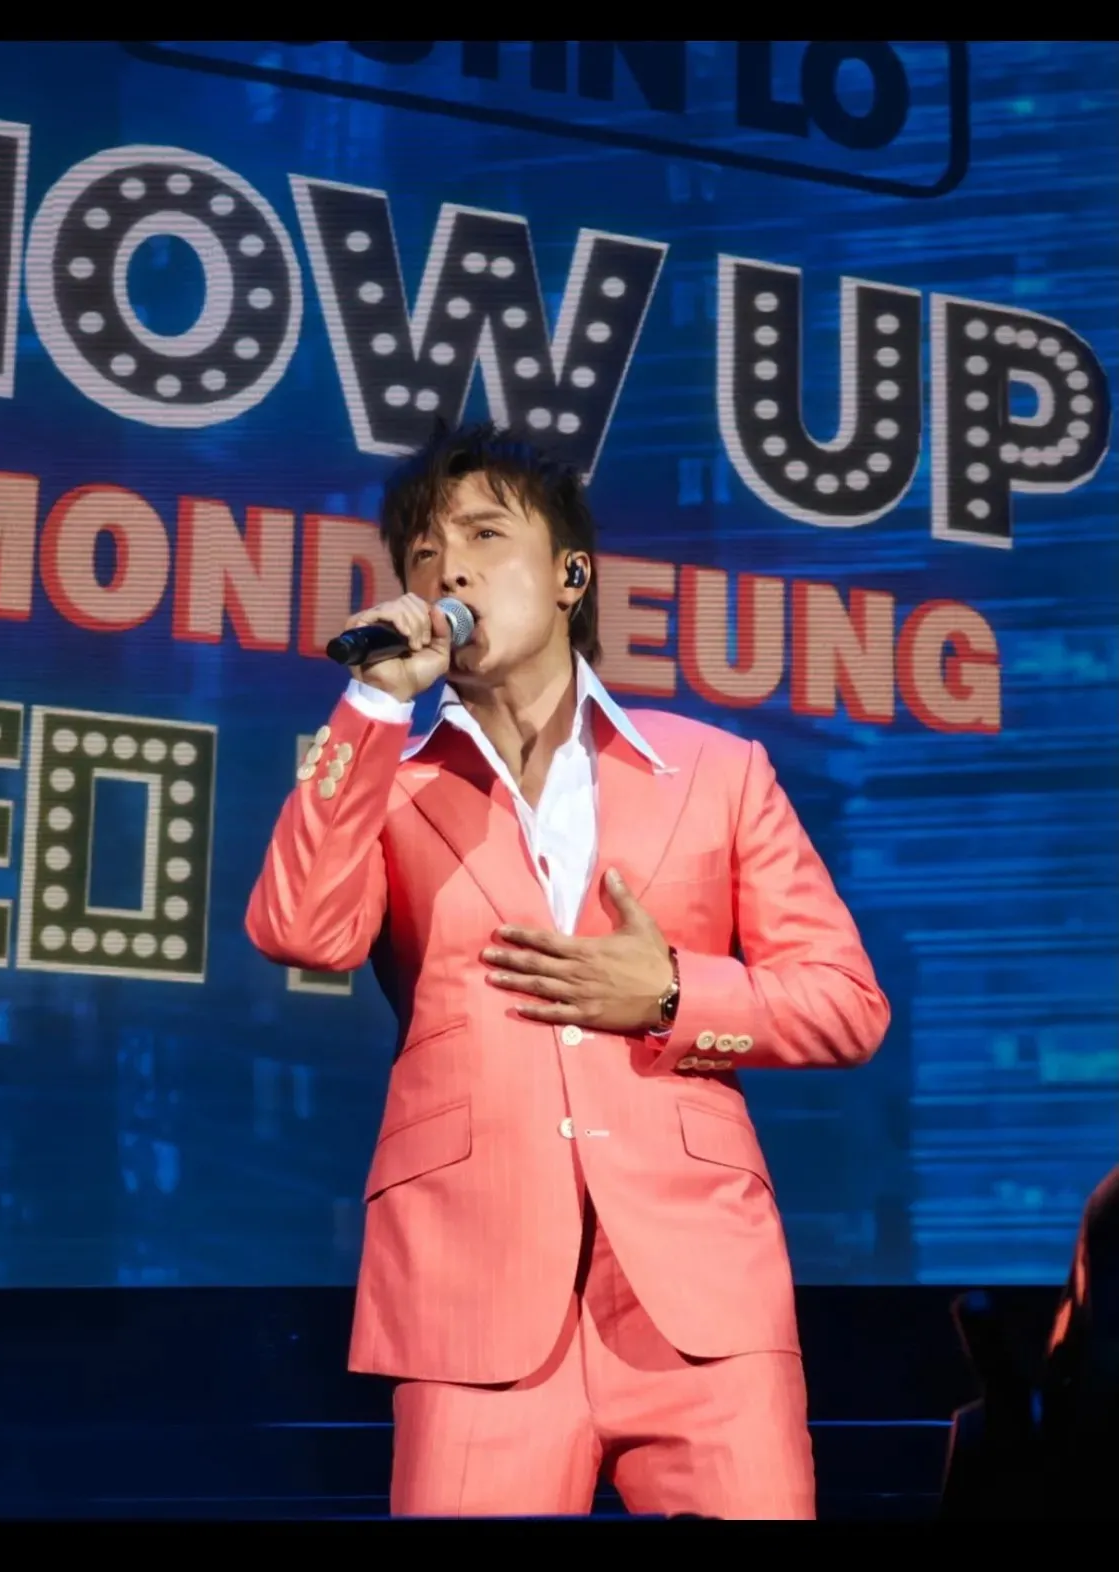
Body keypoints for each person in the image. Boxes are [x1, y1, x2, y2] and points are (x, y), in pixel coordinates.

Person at [245, 422, 890, 1519]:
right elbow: (301, 930)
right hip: (471, 1295)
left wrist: (673, 993)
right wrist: (373, 704)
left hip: (699, 1297)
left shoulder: (714, 771)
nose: (447, 570)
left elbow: (846, 1004)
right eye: (422, 553)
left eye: (484, 536)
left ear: (569, 575)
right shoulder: (382, 778)